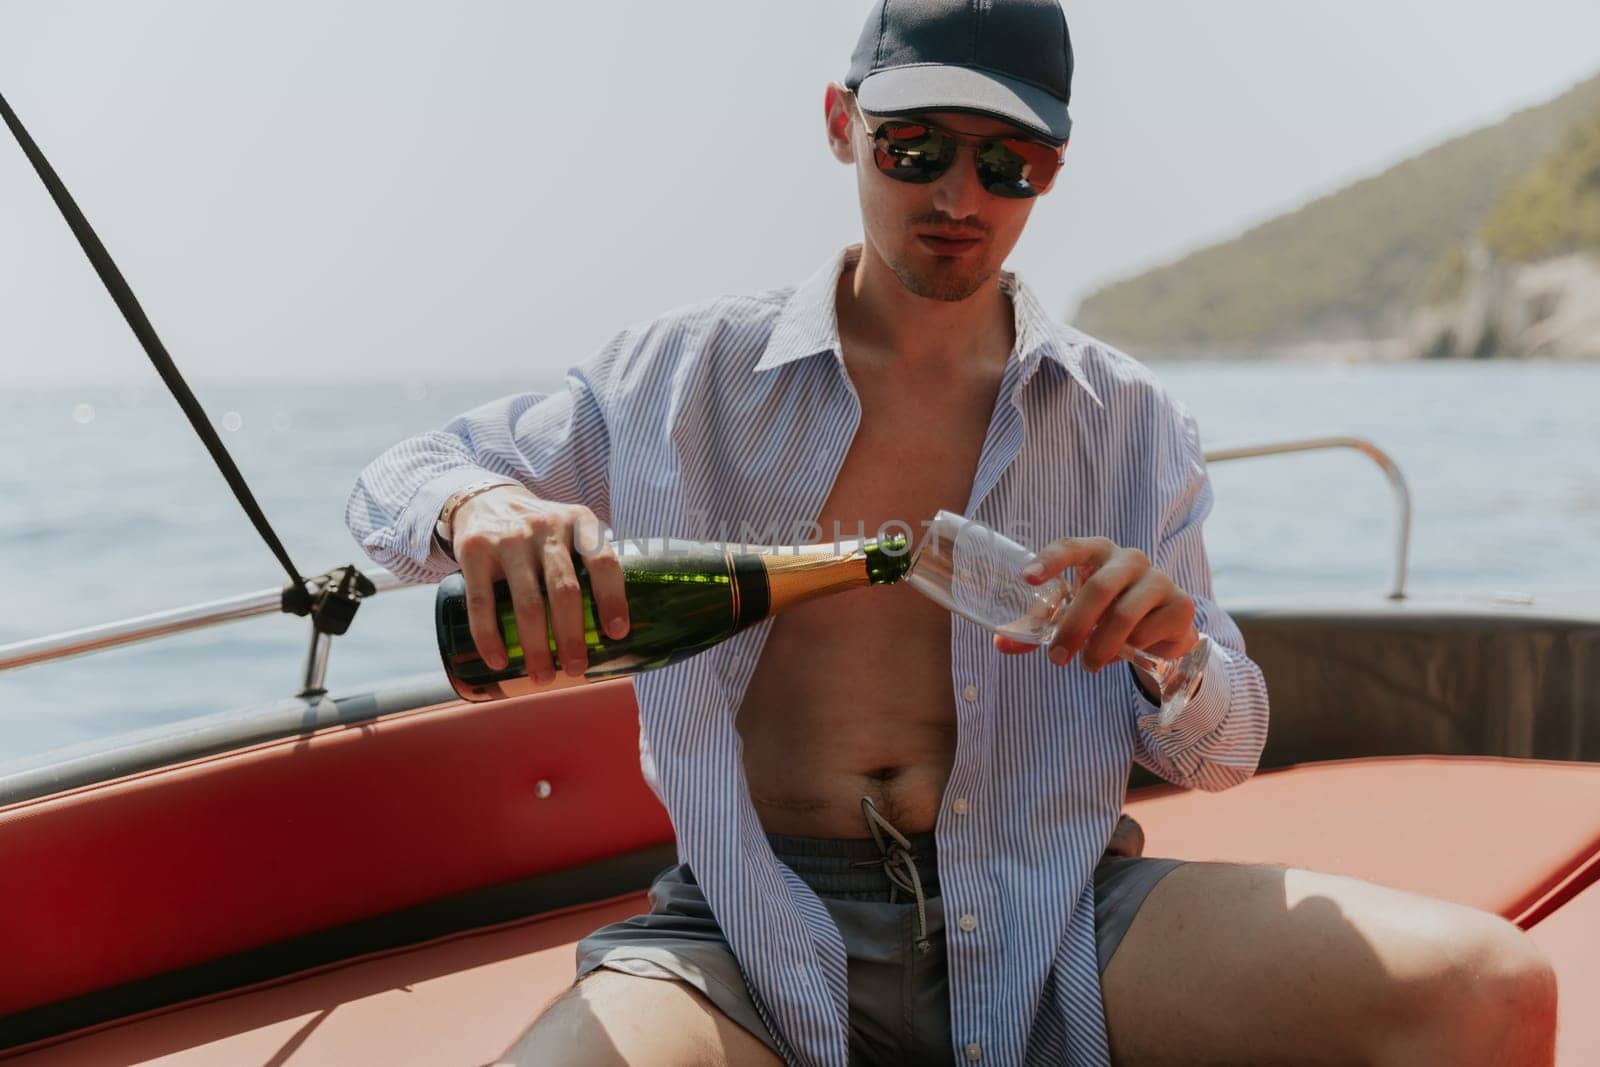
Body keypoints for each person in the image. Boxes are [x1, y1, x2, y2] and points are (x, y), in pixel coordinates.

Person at [346, 1, 1558, 1063]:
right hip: (751, 921)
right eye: (913, 146)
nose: (955, 197)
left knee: (1487, 990)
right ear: (841, 125)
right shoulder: (683, 375)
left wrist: (1170, 650)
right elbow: (398, 479)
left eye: (1006, 164)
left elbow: (1225, 747)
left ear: (1053, 169)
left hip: (1055, 900)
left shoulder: (1130, 422)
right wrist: (482, 504)